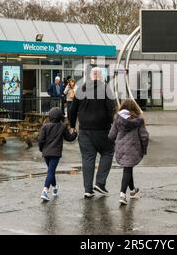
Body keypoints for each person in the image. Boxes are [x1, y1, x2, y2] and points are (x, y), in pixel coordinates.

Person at [69, 67, 116, 198]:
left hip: (84, 130)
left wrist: (72, 125)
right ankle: (100, 183)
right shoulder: (106, 88)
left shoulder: (81, 88)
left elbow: (72, 109)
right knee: (108, 152)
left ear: (90, 76)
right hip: (103, 130)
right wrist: (112, 124)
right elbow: (111, 108)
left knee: (88, 158)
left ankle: (88, 190)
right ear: (100, 76)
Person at [108, 99, 149, 206]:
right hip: (134, 149)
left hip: (121, 149)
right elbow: (144, 136)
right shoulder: (139, 120)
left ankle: (132, 191)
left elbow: (111, 136)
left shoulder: (117, 119)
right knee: (128, 169)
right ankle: (122, 195)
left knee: (128, 167)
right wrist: (144, 149)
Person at [38, 107, 77, 201]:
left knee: (51, 171)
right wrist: (75, 133)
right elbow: (69, 138)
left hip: (46, 153)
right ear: (60, 117)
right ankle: (45, 191)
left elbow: (40, 140)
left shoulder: (45, 126)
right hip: (55, 153)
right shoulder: (62, 126)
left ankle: (54, 188)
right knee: (51, 171)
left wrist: (41, 149)